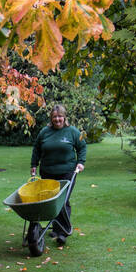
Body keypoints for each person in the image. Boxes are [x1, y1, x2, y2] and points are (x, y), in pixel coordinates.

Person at [30, 104, 86, 246]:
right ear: (51, 118)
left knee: (62, 200)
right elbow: (36, 149)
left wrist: (81, 162)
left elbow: (82, 146)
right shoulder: (44, 132)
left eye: (60, 116)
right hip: (47, 172)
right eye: (55, 117)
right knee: (51, 201)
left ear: (64, 117)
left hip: (67, 172)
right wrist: (33, 165)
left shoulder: (72, 132)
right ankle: (56, 228)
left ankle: (63, 232)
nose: (57, 119)